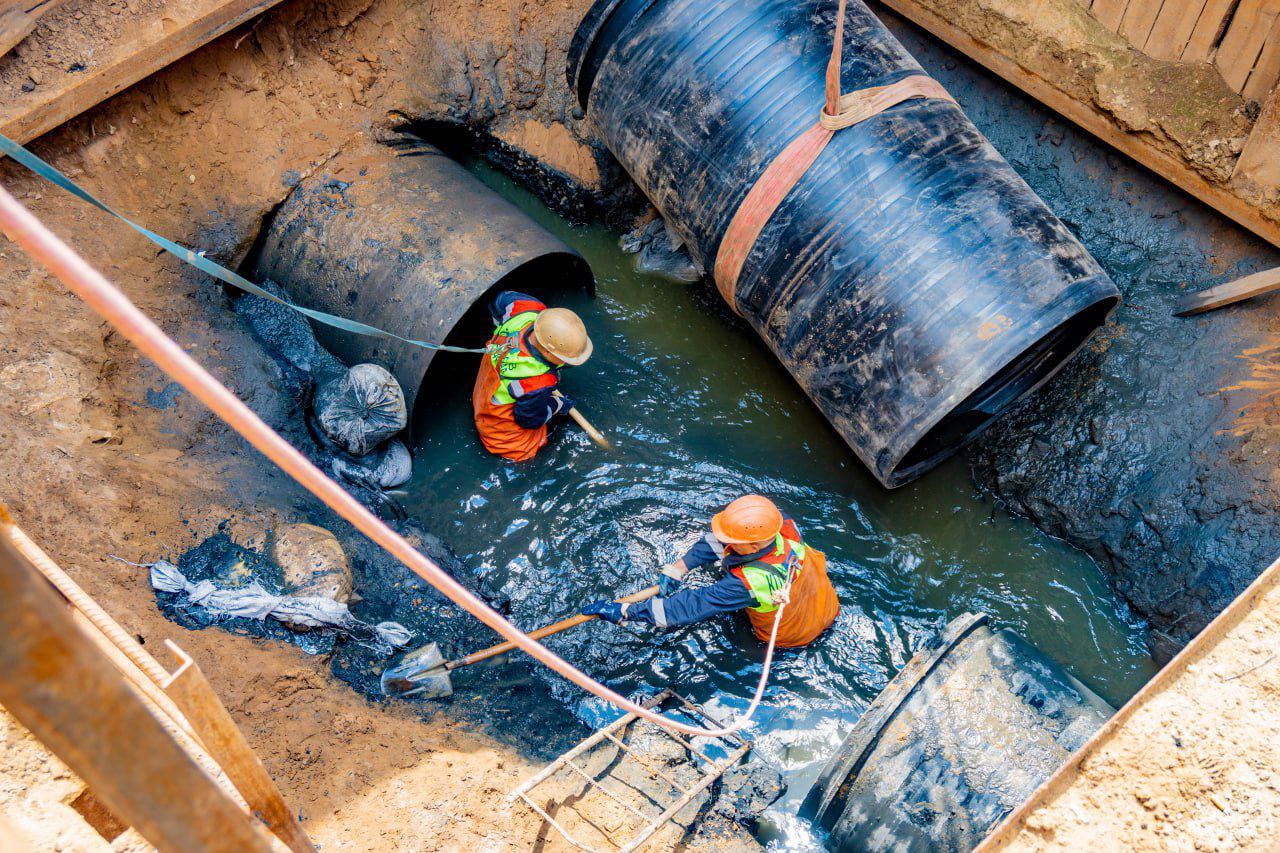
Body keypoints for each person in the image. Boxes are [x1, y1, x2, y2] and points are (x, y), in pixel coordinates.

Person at [581, 495, 840, 648]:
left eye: (730, 538)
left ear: (753, 544)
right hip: (823, 603)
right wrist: (678, 568)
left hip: (794, 634)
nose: (721, 538)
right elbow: (720, 540)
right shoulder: (778, 523)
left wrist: (626, 612)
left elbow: (690, 606)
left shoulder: (750, 582)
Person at [472, 291, 592, 462]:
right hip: (499, 433)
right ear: (547, 351)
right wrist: (558, 404)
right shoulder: (536, 381)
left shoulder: (526, 307)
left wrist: (498, 327)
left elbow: (497, 301)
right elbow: (529, 420)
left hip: (485, 390)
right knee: (530, 454)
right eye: (566, 358)